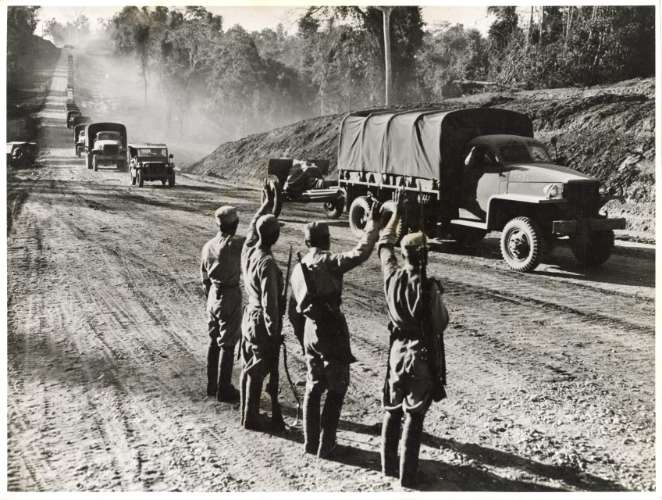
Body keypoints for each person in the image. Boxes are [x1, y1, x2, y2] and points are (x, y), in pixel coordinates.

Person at [289, 203, 381, 458]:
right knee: (337, 387)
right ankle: (327, 443)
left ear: (307, 242)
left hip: (310, 330)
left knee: (313, 385)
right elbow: (360, 253)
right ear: (326, 240)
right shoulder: (329, 262)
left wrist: (303, 338)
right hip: (331, 329)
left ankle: (310, 442)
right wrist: (372, 225)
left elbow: (292, 311)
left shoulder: (298, 268)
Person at [377, 190, 449, 488]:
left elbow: (384, 243)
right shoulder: (428, 288)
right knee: (414, 416)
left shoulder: (391, 275)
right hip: (420, 355)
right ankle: (408, 476)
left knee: (392, 410)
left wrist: (394, 215)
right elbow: (441, 323)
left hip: (396, 353)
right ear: (424, 255)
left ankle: (387, 467)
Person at [239, 181, 285, 431]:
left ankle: (247, 413)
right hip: (260, 320)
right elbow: (271, 304)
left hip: (249, 315)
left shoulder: (248, 251)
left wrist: (266, 205)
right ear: (275, 237)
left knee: (249, 365)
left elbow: (252, 228)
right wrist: (273, 331)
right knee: (259, 368)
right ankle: (251, 417)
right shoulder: (267, 263)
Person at [200, 205, 244, 402]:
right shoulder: (235, 244)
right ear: (235, 224)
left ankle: (212, 385)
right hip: (229, 294)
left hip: (213, 294)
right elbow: (257, 236)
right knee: (228, 343)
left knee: (213, 339)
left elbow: (204, 277)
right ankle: (224, 388)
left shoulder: (208, 246)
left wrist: (211, 296)